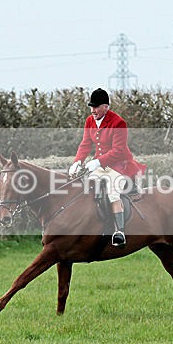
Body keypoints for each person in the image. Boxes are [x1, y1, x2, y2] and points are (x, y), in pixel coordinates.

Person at [68, 88, 146, 246]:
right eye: (91, 107)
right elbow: (85, 144)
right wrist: (77, 162)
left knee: (112, 192)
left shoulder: (118, 123)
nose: (93, 110)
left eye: (96, 107)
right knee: (87, 188)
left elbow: (118, 151)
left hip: (119, 166)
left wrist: (97, 162)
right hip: (101, 165)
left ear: (106, 107)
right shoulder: (90, 121)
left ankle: (119, 232)